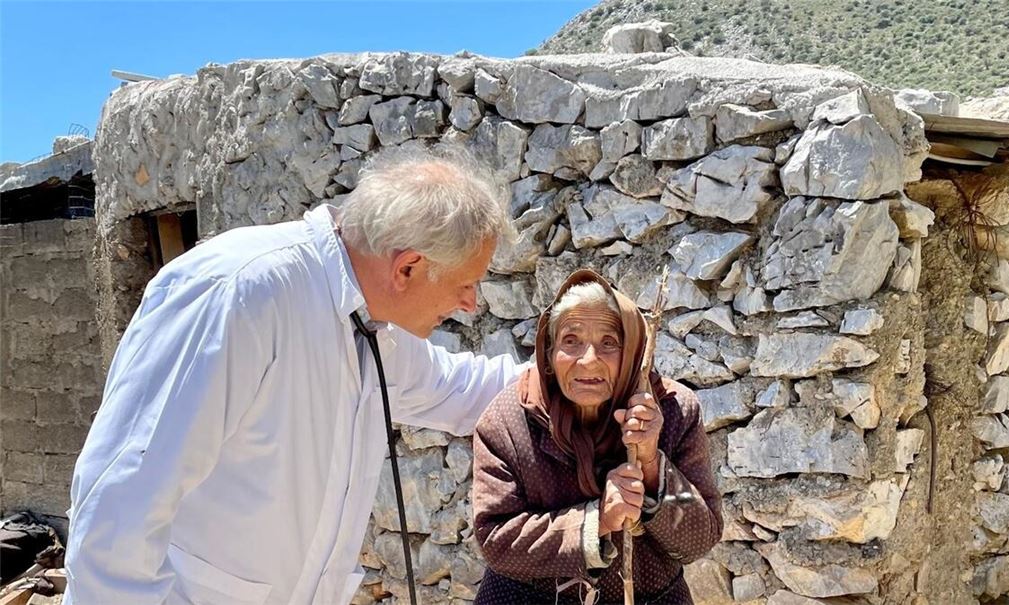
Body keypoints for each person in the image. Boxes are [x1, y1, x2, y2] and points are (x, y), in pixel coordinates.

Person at [65, 145, 525, 605]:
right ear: (407, 267)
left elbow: (460, 388)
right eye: (465, 283)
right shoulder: (239, 292)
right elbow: (121, 502)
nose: (471, 303)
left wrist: (579, 374)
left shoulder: (373, 320)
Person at [472, 270, 723, 604]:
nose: (588, 361)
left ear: (632, 351)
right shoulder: (507, 421)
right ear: (548, 352)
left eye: (609, 343)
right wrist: (597, 519)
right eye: (571, 341)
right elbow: (497, 541)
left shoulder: (673, 411)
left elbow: (699, 540)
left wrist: (650, 464)